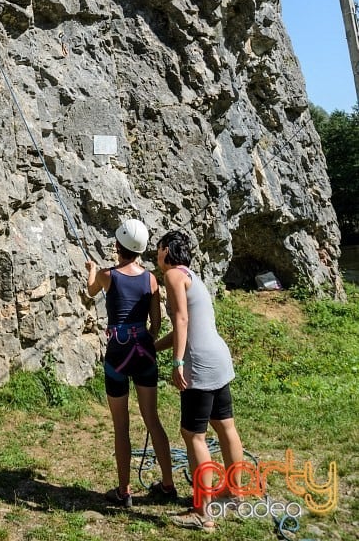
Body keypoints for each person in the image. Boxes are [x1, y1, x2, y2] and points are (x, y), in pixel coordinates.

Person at [155, 230, 244, 532]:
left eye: (158, 250)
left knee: (193, 435)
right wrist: (153, 348)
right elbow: (189, 324)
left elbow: (181, 319)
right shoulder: (191, 275)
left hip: (200, 363)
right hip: (219, 357)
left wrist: (178, 361)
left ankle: (202, 512)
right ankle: (234, 493)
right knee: (226, 427)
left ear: (166, 250)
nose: (156, 257)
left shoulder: (172, 277)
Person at [86, 217, 176, 509]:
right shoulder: (150, 279)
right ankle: (167, 484)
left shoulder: (107, 275)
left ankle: (124, 491)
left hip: (117, 354)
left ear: (117, 245)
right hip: (144, 353)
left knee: (121, 425)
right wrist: (144, 341)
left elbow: (90, 291)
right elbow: (157, 323)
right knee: (153, 419)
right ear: (140, 249)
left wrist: (90, 271)